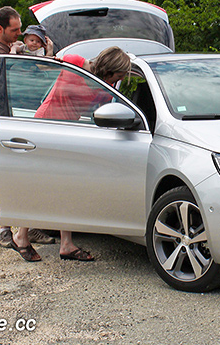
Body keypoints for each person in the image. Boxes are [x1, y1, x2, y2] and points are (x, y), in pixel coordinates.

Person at [11, 46, 132, 262]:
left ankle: (64, 244)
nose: (117, 81)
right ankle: (21, 235)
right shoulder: (74, 62)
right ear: (110, 69)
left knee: (65, 187)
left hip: (67, 133)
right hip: (45, 126)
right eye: (119, 76)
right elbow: (44, 65)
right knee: (38, 185)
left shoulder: (104, 87)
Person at [0, 6, 55, 251]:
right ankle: (5, 230)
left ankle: (29, 226)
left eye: (20, 29)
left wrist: (46, 52)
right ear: (0, 29)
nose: (19, 34)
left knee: (26, 176)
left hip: (18, 118)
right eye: (15, 30)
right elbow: (17, 74)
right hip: (5, 121)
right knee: (10, 176)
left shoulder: (13, 47)